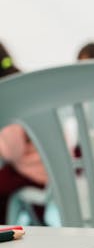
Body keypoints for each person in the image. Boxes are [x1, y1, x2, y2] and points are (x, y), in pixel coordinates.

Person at [0, 42, 47, 224]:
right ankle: (39, 221)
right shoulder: (22, 83)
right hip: (52, 169)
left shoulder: (8, 93)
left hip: (34, 171)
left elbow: (13, 152)